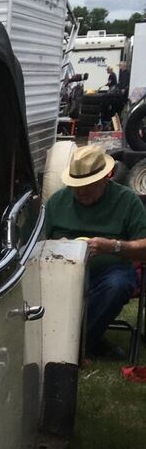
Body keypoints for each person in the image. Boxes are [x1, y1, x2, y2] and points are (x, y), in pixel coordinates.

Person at [44, 145, 146, 357]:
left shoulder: (126, 200)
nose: (81, 191)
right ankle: (86, 342)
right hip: (60, 269)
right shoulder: (56, 202)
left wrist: (113, 246)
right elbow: (32, 244)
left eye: (88, 185)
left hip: (109, 268)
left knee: (117, 286)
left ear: (105, 178)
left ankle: (74, 347)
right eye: (76, 186)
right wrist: (55, 246)